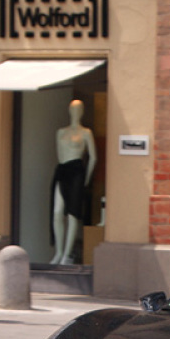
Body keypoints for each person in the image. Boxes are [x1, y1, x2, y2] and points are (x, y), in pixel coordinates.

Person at [50, 99, 96, 265]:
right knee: (57, 213)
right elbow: (59, 153)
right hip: (62, 171)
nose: (76, 112)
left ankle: (66, 254)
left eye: (79, 109)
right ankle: (59, 251)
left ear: (82, 111)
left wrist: (86, 180)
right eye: (73, 109)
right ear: (69, 110)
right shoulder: (61, 132)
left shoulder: (86, 133)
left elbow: (93, 157)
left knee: (72, 214)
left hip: (77, 171)